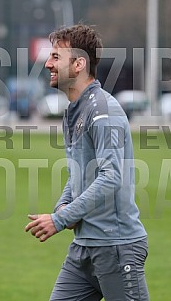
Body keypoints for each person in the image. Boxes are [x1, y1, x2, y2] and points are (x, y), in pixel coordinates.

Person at [25, 24, 149, 301]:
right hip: (84, 248)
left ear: (79, 63)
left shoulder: (103, 111)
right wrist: (62, 205)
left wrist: (60, 219)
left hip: (116, 248)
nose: (48, 64)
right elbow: (80, 172)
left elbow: (110, 175)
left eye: (56, 57)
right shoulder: (74, 111)